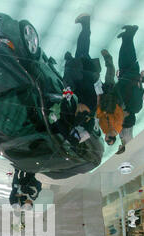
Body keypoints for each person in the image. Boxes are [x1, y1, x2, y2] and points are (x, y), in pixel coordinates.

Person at [97, 25, 144, 148]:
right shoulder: (130, 108)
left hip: (127, 76)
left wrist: (140, 79)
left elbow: (139, 91)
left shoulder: (133, 107)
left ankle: (128, 36)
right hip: (129, 75)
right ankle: (130, 34)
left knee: (124, 57)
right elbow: (137, 90)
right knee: (127, 57)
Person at [62, 14, 101, 143]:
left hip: (82, 69)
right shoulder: (93, 101)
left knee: (83, 46)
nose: (78, 107)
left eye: (77, 110)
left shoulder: (86, 103)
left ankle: (85, 25)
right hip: (85, 68)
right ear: (86, 112)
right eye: (80, 110)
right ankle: (86, 22)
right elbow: (81, 83)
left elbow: (72, 89)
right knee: (83, 45)